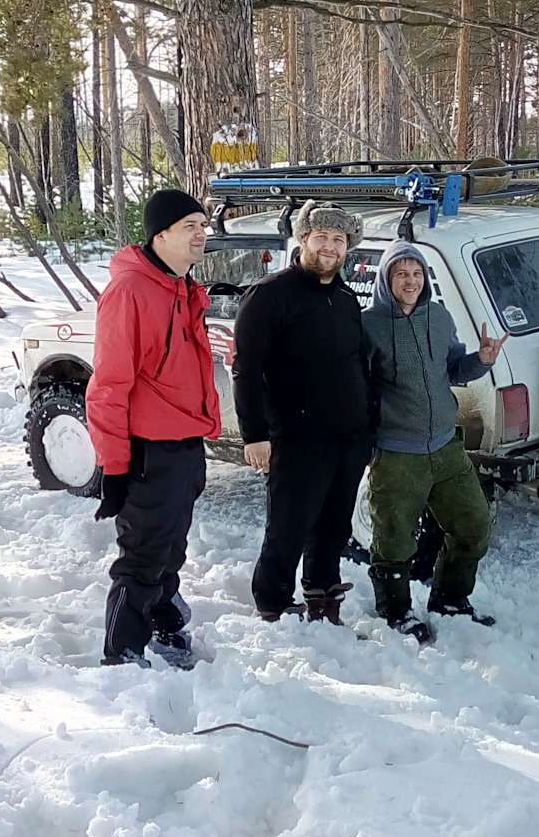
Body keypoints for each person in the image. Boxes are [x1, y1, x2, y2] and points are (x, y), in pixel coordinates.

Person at [84, 189, 222, 669]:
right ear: (160, 235)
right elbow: (108, 385)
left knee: (170, 547)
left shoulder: (182, 287)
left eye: (203, 225)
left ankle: (165, 625)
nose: (202, 234)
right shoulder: (130, 292)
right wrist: (114, 466)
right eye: (190, 227)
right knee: (142, 557)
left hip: (185, 444)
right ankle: (120, 655)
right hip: (149, 449)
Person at [361, 240, 509, 643]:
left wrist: (482, 360)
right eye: (400, 273)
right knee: (393, 540)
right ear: (386, 280)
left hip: (446, 446)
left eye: (416, 273)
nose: (410, 281)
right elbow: (358, 391)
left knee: (474, 526)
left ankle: (450, 600)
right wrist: (366, 445)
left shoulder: (439, 317)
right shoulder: (368, 325)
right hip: (396, 453)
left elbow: (456, 369)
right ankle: (396, 612)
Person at [234, 201, 372, 624]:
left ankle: (322, 590)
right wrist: (254, 434)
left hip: (349, 436)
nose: (330, 247)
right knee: (290, 525)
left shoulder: (346, 299)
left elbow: (358, 364)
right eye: (322, 237)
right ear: (303, 239)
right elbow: (246, 369)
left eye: (338, 239)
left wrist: (368, 426)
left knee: (335, 523)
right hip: (296, 437)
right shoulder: (270, 296)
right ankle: (272, 603)